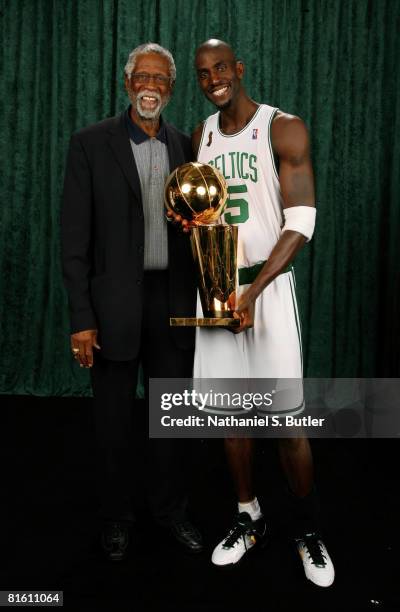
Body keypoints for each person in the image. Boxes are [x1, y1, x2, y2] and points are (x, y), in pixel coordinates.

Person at [191, 39, 334, 587]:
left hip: (265, 293)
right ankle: (247, 517)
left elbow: (301, 223)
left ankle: (306, 528)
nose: (213, 79)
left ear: (239, 69)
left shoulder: (282, 126)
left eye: (221, 68)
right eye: (204, 73)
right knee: (231, 419)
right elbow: (203, 213)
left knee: (287, 421)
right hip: (217, 291)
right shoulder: (202, 133)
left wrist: (251, 295)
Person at [61, 42, 203, 561]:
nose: (151, 86)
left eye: (161, 79)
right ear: (127, 84)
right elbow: (74, 239)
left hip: (173, 303)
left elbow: (201, 230)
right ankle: (116, 516)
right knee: (113, 424)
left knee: (172, 417)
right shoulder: (90, 143)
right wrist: (82, 317)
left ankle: (170, 511)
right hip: (113, 305)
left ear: (170, 88)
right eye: (142, 77)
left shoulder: (188, 147)